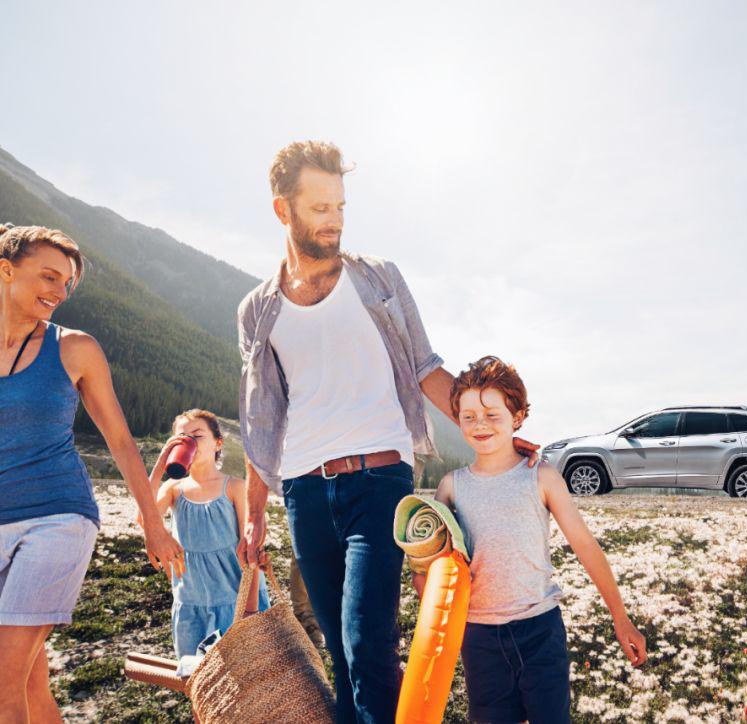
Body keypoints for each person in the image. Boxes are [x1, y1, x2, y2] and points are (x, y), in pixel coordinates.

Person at [236, 141, 538, 724]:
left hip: (379, 482)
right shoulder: (257, 309)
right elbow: (260, 415)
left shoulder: (378, 279)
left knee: (367, 645)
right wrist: (255, 510)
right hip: (302, 492)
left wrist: (486, 429)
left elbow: (426, 369)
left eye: (341, 206)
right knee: (343, 657)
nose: (335, 220)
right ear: (283, 211)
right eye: (320, 207)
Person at [0, 224, 184, 723]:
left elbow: (121, 441)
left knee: (2, 684)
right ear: (5, 269)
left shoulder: (74, 347)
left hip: (58, 517)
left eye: (67, 284)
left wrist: (151, 522)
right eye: (49, 277)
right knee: (31, 686)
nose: (60, 292)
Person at [414, 356, 648, 724]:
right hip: (479, 638)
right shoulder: (450, 487)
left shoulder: (540, 476)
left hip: (539, 631)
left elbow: (585, 547)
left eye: (493, 415)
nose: (480, 425)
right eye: (469, 416)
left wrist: (620, 618)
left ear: (517, 417)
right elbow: (428, 567)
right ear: (456, 417)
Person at [148, 409, 269, 658]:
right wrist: (161, 464)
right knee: (199, 682)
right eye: (181, 437)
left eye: (197, 435)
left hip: (236, 603)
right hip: (190, 605)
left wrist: (250, 609)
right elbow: (145, 518)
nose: (188, 441)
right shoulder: (173, 489)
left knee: (249, 681)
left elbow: (251, 549)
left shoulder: (234, 487)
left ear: (217, 443)